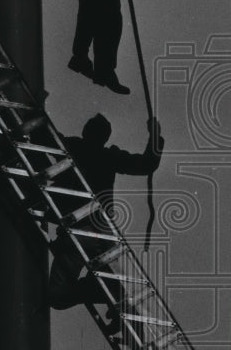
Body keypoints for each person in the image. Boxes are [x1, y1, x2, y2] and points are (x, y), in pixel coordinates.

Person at [48, 113, 164, 313]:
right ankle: (107, 293)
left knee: (57, 295)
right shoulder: (110, 156)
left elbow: (45, 135)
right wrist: (155, 136)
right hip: (103, 232)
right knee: (113, 284)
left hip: (79, 231)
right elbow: (146, 164)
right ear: (106, 137)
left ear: (85, 131)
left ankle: (99, 290)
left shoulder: (73, 146)